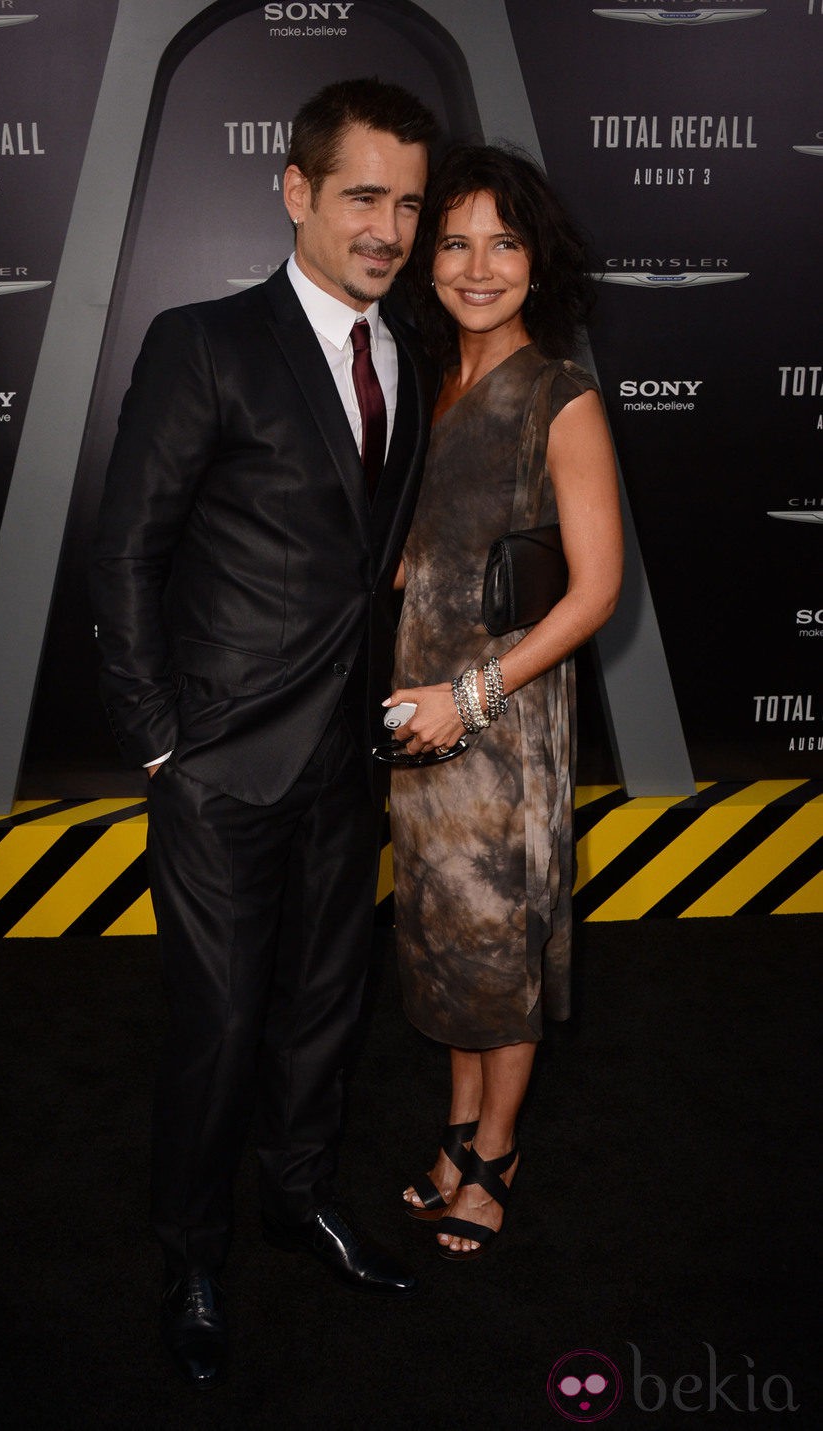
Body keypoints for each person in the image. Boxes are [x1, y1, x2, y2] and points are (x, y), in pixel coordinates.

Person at [91, 78, 437, 1385]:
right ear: (294, 191)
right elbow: (127, 548)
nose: (388, 227)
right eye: (363, 195)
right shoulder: (208, 342)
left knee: (319, 1011)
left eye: (408, 201)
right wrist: (162, 739)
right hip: (222, 764)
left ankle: (297, 1199)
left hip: (349, 759)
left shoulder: (408, 352)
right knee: (220, 1026)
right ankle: (190, 1252)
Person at [384, 144, 623, 1259]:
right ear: (426, 257)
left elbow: (593, 592)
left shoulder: (556, 396)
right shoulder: (425, 381)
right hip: (410, 722)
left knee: (500, 951)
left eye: (504, 242)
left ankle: (496, 1150)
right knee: (443, 949)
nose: (478, 267)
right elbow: (420, 559)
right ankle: (456, 1123)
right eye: (454, 242)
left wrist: (467, 697)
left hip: (497, 726)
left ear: (540, 259)